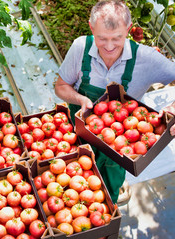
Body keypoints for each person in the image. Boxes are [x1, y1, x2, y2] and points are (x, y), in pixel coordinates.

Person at [54, 0, 175, 203]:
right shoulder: (80, 47)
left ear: (128, 30)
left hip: (119, 145)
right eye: (101, 39)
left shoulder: (146, 58)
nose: (109, 47)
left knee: (107, 196)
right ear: (92, 28)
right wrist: (79, 99)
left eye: (117, 39)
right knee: (68, 192)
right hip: (77, 136)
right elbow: (61, 86)